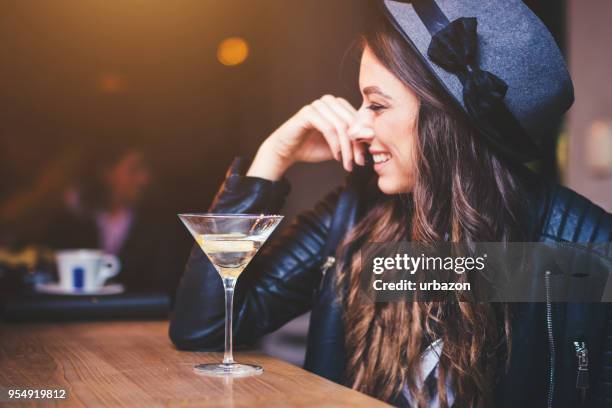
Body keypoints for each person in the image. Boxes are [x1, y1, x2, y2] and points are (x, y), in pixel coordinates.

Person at [170, 1, 612, 407]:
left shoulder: (591, 250)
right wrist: (271, 159)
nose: (359, 126)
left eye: (377, 105)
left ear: (447, 122)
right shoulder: (352, 215)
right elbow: (205, 328)